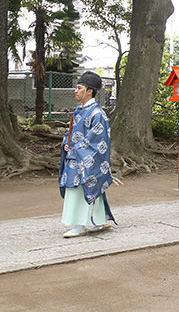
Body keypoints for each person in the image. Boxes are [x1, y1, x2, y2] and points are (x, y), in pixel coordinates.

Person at [59, 71, 115, 238]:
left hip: (83, 159)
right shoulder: (80, 110)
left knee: (80, 188)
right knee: (78, 189)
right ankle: (96, 222)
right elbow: (72, 132)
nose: (75, 91)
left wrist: (77, 149)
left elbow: (98, 141)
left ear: (89, 91)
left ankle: (79, 225)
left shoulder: (97, 113)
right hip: (76, 156)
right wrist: (66, 143)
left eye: (79, 87)